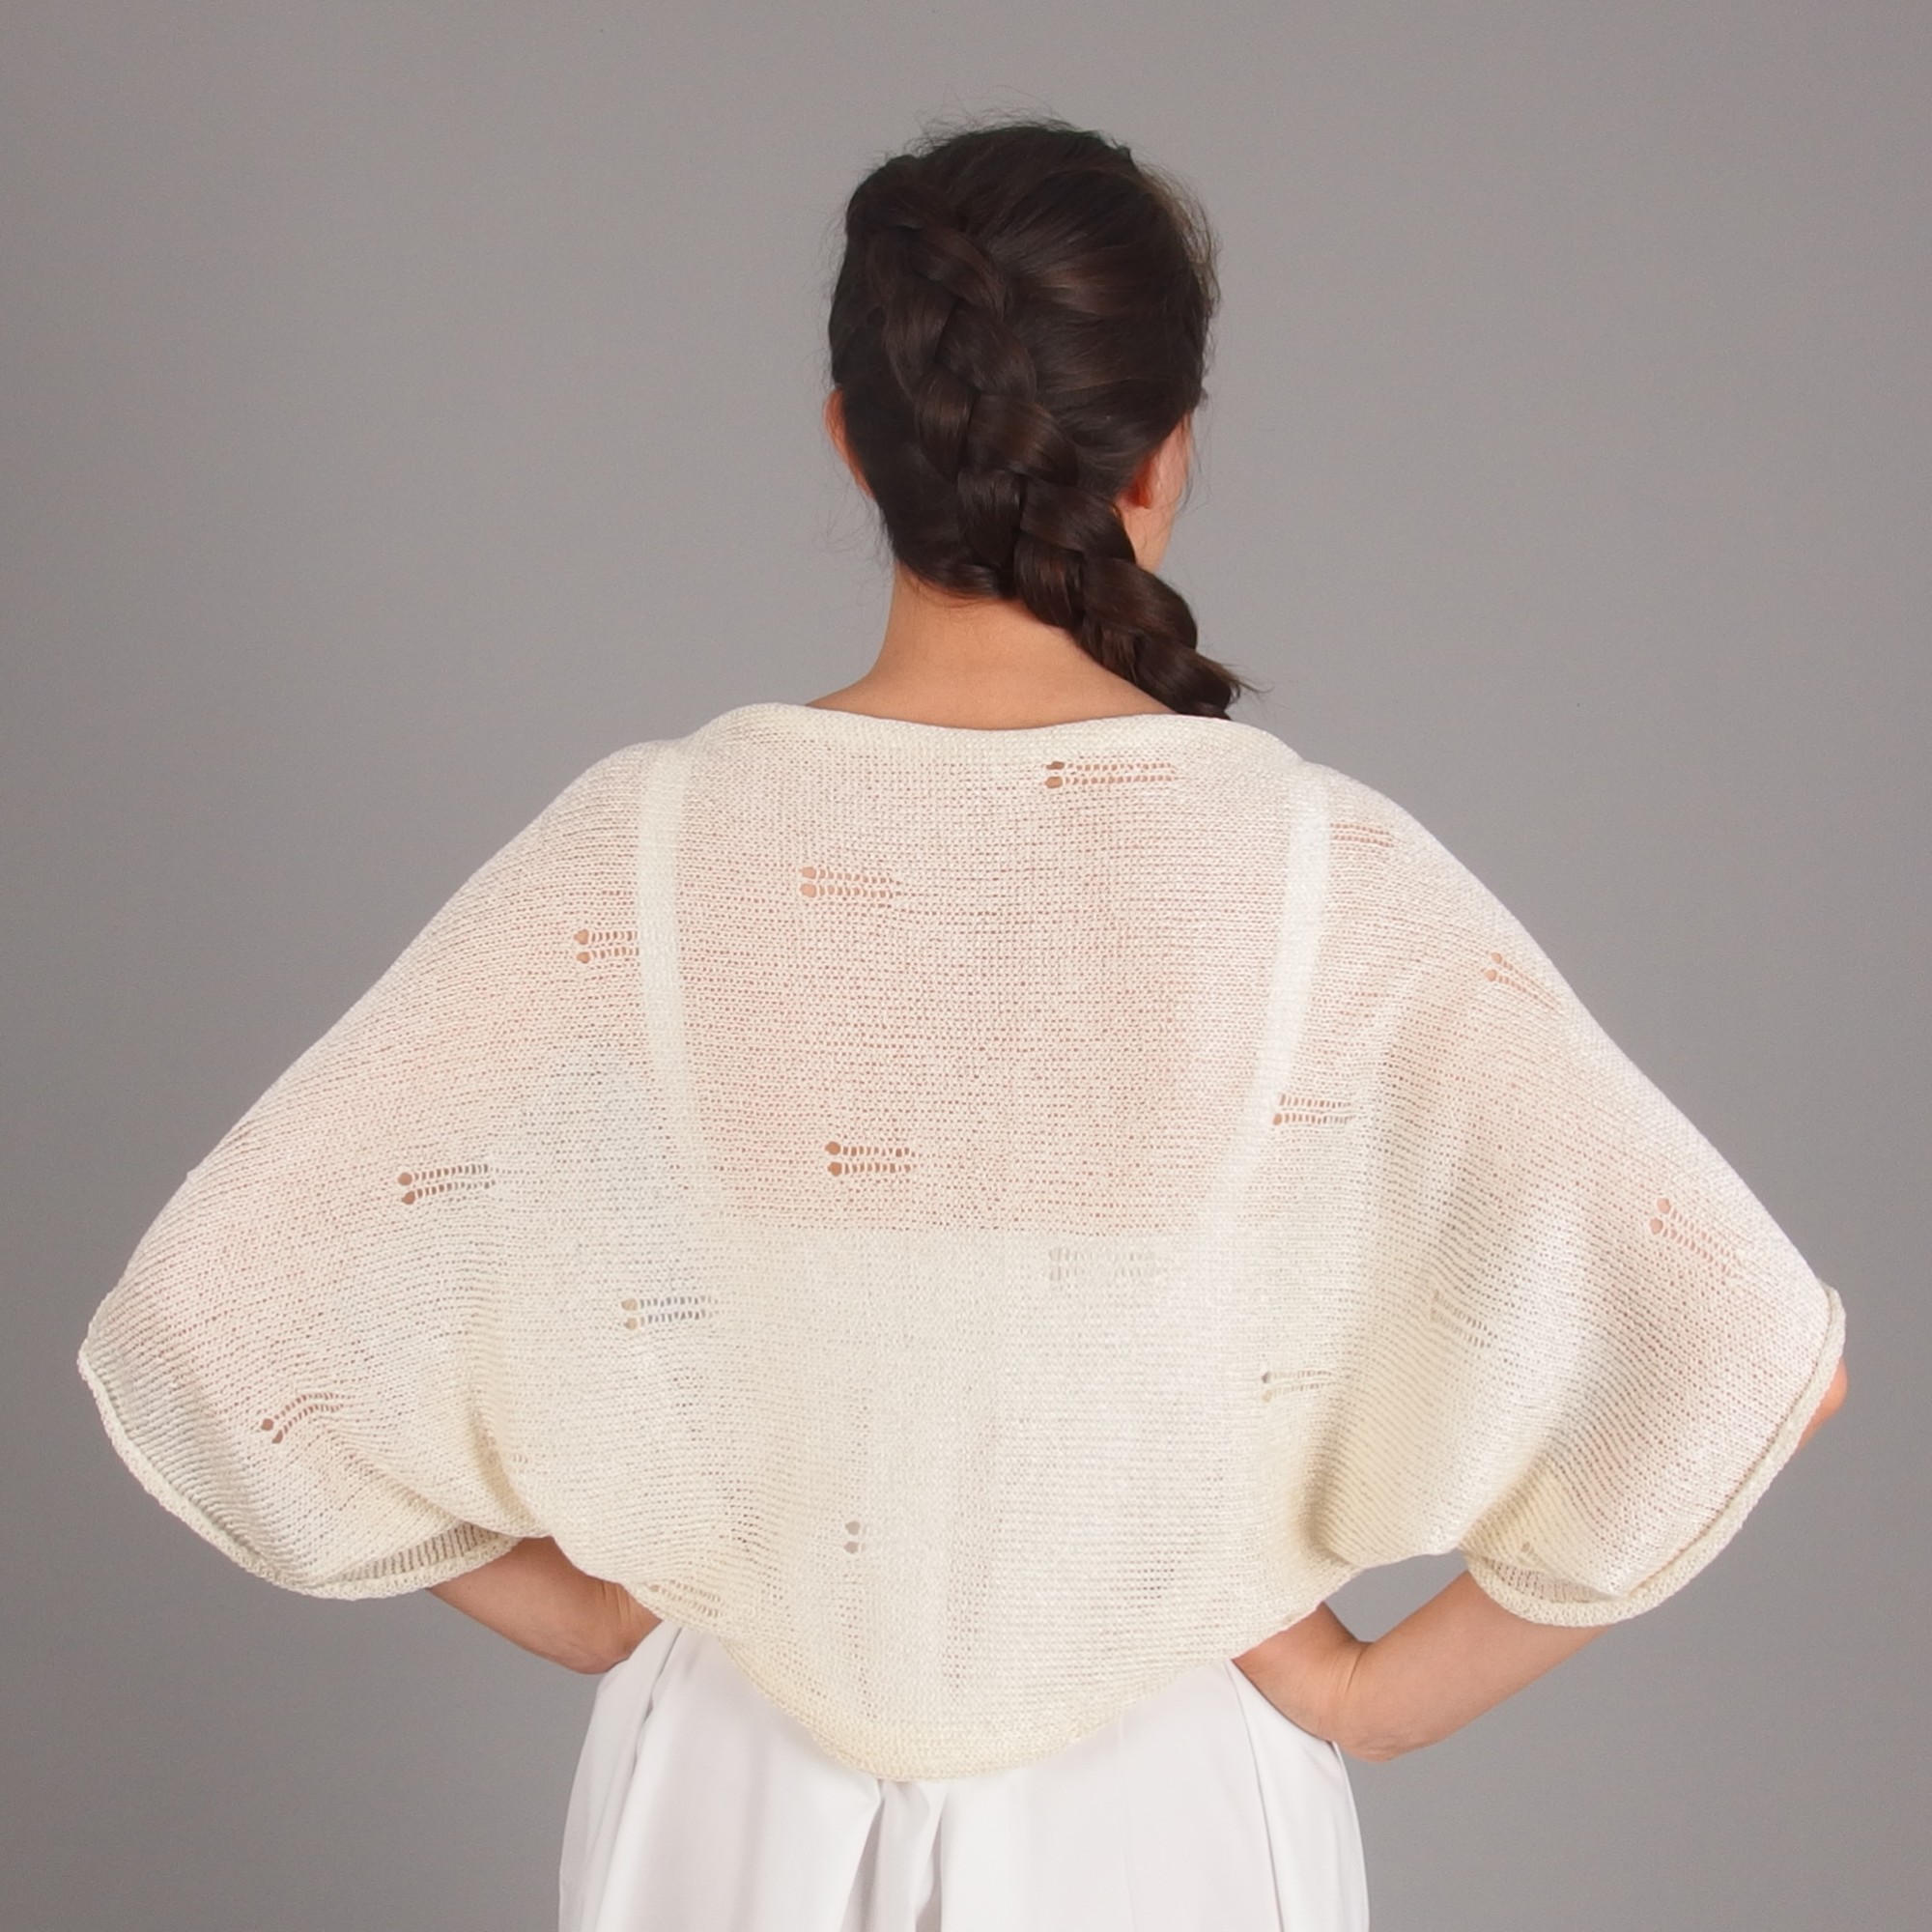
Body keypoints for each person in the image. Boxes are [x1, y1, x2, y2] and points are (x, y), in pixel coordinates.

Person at [77, 120, 1848, 1931]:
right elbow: (1741, 1339)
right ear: (1165, 455)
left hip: (729, 1785)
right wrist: (1374, 1701)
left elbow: (208, 1326)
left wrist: (595, 1601)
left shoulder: (646, 850)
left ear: (856, 440)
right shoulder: (1327, 870)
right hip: (1171, 1805)